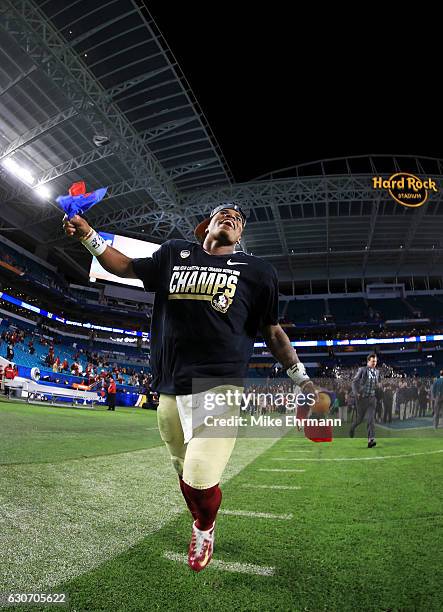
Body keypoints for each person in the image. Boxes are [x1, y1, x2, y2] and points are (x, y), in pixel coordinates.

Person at [64, 203, 326, 573]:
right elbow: (123, 266)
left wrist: (302, 379)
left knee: (201, 476)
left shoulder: (258, 272)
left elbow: (272, 331)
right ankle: (201, 514)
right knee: (182, 468)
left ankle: (204, 526)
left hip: (219, 385)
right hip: (170, 385)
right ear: (206, 225)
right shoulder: (174, 253)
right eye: (225, 213)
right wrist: (89, 235)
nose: (233, 217)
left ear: (241, 234)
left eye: (239, 219)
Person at [350, 353, 381, 447]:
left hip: (372, 399)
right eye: (373, 361)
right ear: (368, 361)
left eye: (375, 361)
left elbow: (377, 383)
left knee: (371, 419)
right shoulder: (362, 370)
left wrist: (378, 385)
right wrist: (356, 393)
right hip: (362, 399)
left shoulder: (377, 372)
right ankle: (352, 428)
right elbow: (354, 382)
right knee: (360, 419)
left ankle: (371, 440)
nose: (374, 363)